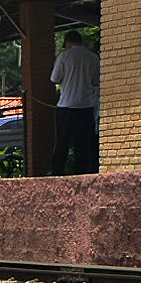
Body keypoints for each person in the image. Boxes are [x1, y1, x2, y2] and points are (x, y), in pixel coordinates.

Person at [48, 31, 99, 175]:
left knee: (62, 141)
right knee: (82, 142)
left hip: (67, 105)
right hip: (87, 105)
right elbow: (96, 80)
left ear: (67, 42)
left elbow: (55, 78)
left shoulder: (64, 56)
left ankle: (57, 172)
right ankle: (81, 172)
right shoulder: (93, 57)